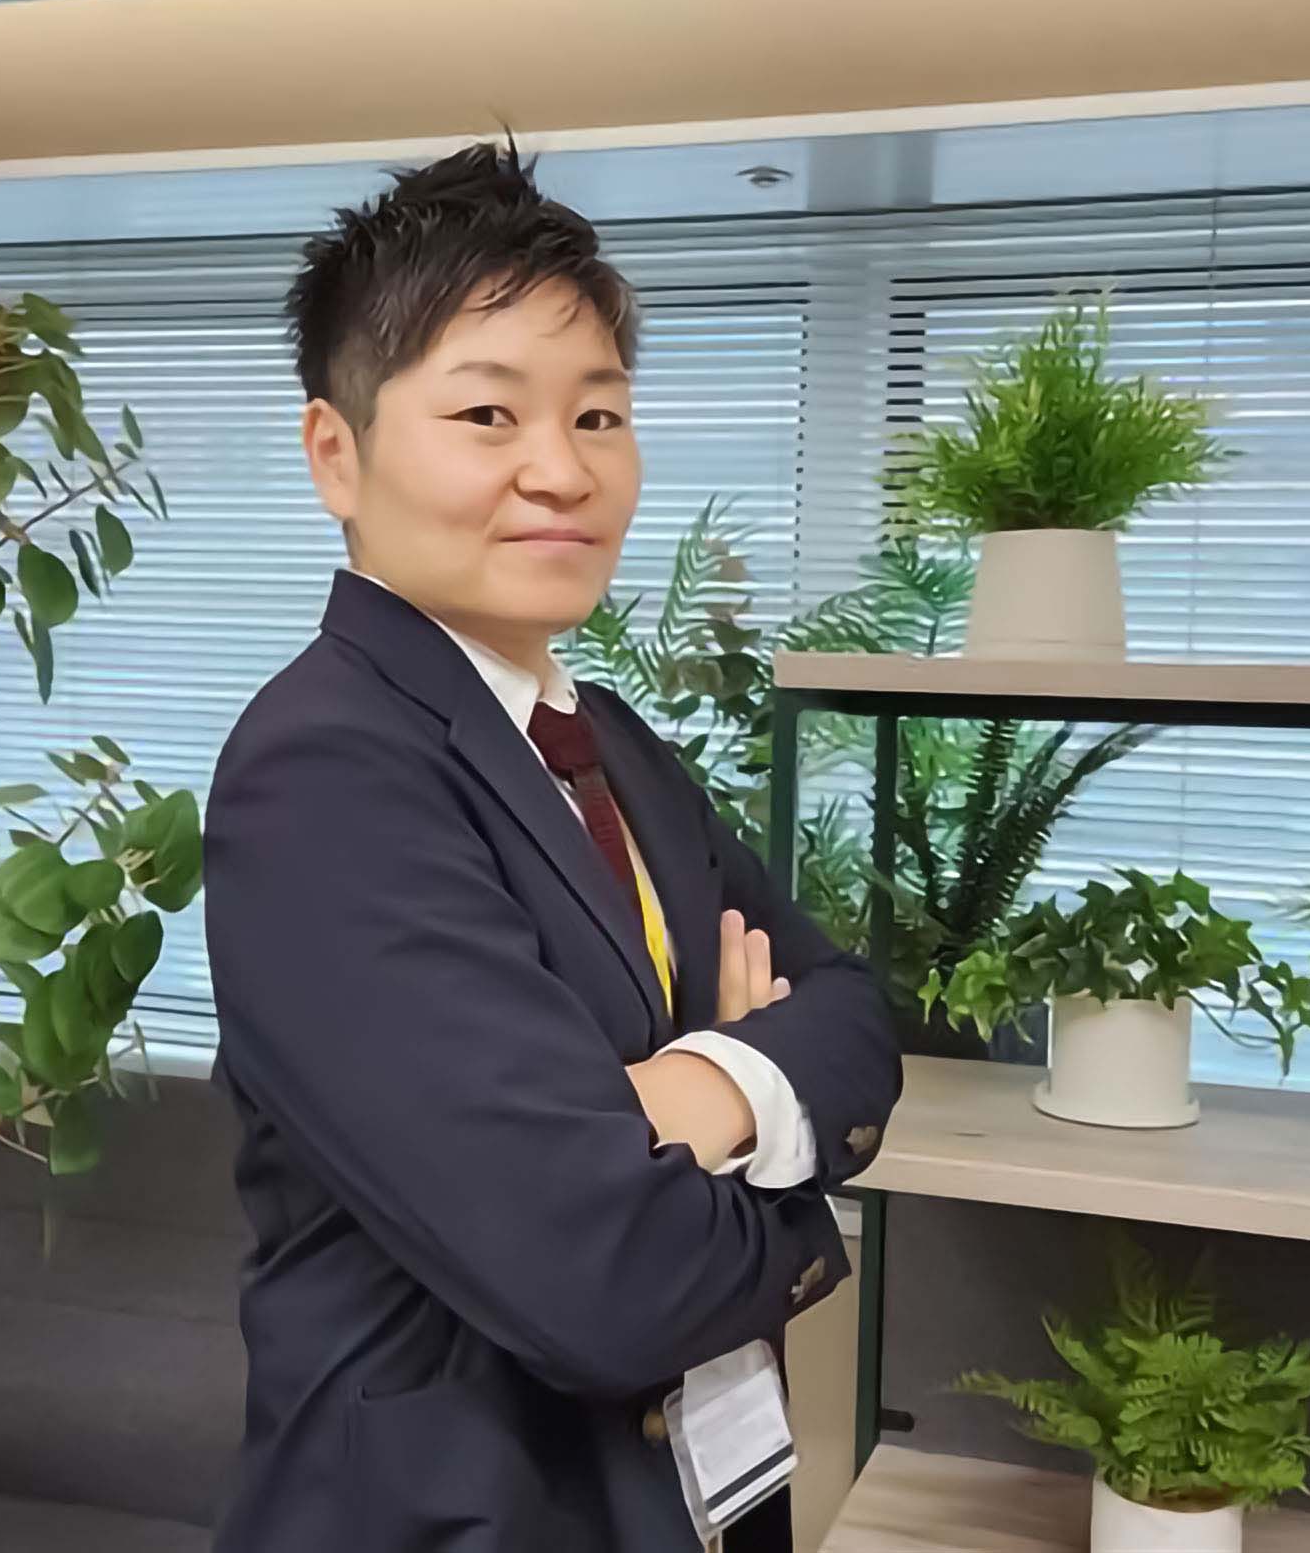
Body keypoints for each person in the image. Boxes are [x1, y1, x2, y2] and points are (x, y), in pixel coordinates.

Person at [204, 141, 903, 1553]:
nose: (561, 471)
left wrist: (697, 1089)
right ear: (337, 453)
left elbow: (852, 1014)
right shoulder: (325, 767)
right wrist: (776, 1172)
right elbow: (604, 1280)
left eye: (598, 416)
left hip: (681, 1501)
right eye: (487, 414)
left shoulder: (609, 740)